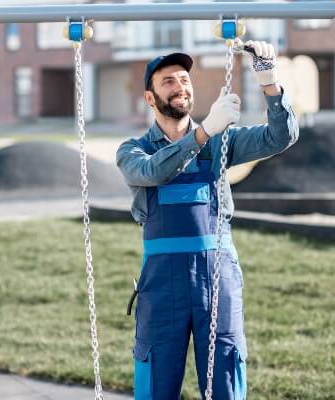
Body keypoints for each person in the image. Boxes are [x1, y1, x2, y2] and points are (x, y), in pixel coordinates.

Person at [116, 40, 299, 400]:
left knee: (226, 378)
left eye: (184, 79)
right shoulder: (133, 151)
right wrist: (204, 133)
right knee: (155, 381)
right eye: (168, 81)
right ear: (150, 98)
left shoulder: (221, 143)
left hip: (218, 277)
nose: (180, 86)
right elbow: (154, 171)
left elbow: (281, 136)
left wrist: (269, 81)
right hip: (162, 284)